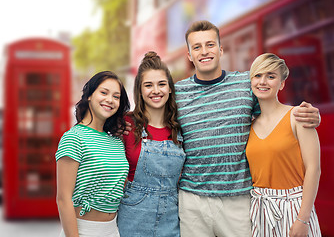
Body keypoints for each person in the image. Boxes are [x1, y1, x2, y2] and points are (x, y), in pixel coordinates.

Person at [175, 20, 321, 236]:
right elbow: (152, 118)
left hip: (239, 201)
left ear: (221, 49)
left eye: (210, 45)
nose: (204, 52)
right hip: (193, 201)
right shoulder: (177, 92)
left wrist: (311, 114)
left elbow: (274, 107)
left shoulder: (247, 83)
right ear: (189, 55)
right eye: (197, 47)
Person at [246, 53, 321, 237]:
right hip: (260, 210)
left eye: (271, 76)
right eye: (257, 75)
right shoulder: (248, 125)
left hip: (295, 208)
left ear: (281, 84)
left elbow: (314, 169)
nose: (263, 82)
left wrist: (303, 219)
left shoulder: (298, 116)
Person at [117, 51, 186, 237]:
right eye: (148, 85)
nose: (156, 90)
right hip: (131, 218)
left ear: (170, 88)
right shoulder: (124, 124)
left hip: (172, 219)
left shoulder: (180, 128)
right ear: (139, 90)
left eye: (162, 84)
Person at [55, 71, 130, 237]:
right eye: (104, 92)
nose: (110, 100)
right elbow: (63, 199)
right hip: (82, 230)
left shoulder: (116, 141)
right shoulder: (74, 138)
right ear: (89, 96)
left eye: (116, 96)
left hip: (113, 230)